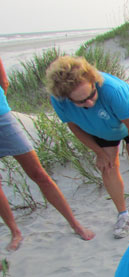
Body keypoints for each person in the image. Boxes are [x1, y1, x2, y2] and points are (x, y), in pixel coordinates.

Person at [45, 55, 129, 239]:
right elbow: (74, 126)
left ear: (93, 81)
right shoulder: (58, 100)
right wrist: (99, 153)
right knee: (107, 167)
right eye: (81, 102)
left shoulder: (112, 90)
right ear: (66, 97)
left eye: (91, 95)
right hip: (100, 127)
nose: (89, 102)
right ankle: (123, 215)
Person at [0, 57, 94, 250]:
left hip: (2, 116)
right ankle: (15, 232)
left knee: (39, 174)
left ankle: (75, 224)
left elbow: (4, 81)